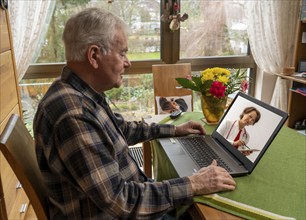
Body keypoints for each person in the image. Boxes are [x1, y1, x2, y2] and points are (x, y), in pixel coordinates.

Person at [33, 7, 236, 219]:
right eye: (122, 53)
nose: (128, 62)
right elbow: (120, 201)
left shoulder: (79, 93)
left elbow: (121, 130)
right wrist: (193, 183)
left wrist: (174, 129)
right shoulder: (74, 114)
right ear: (94, 55)